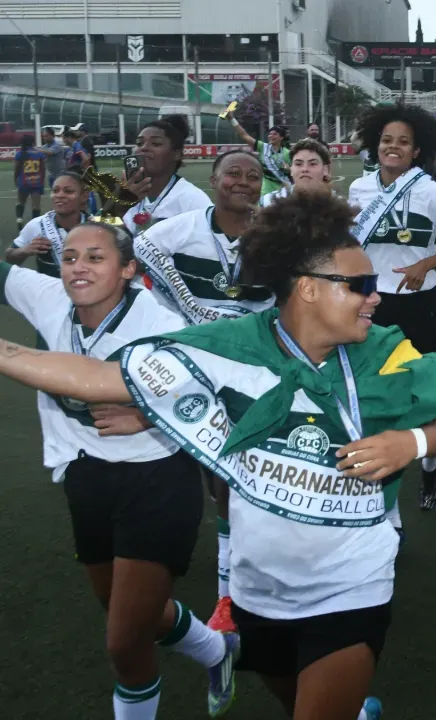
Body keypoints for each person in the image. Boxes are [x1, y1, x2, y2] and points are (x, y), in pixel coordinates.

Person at [0, 190, 436, 720]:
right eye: (360, 286)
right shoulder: (228, 347)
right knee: (293, 695)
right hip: (260, 590)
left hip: (352, 582)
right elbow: (99, 379)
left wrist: (414, 442)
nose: (375, 296)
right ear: (309, 289)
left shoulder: (384, 350)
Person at [0, 219, 238, 719]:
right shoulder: (48, 298)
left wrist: (148, 411)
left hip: (156, 481)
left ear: (129, 269)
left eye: (95, 257)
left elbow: (221, 401)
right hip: (85, 475)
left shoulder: (163, 328)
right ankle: (219, 652)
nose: (78, 268)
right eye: (69, 258)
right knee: (133, 616)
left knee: (124, 645)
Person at [132, 150, 273, 638]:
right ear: (213, 180)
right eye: (233, 173)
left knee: (231, 478)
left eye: (253, 176)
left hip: (251, 372)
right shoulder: (181, 228)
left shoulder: (274, 234)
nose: (243, 182)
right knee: (195, 474)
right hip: (190, 370)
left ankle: (228, 593)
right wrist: (175, 317)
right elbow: (138, 257)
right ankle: (219, 576)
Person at [348, 104, 436, 513]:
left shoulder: (430, 190)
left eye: (403, 142)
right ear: (375, 145)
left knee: (427, 390)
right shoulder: (359, 190)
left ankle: (430, 464)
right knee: (371, 389)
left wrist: (426, 263)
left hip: (419, 304)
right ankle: (384, 486)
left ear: (417, 150)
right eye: (387, 140)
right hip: (371, 304)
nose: (393, 147)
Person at [122, 115, 212, 235]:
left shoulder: (194, 201)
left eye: (156, 143)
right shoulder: (123, 194)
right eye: (139, 143)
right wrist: (118, 206)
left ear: (177, 154)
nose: (144, 148)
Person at [8, 171, 89, 278]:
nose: (59, 195)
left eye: (68, 191)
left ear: (84, 196)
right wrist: (25, 250)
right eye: (55, 191)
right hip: (49, 293)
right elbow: (9, 257)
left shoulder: (97, 227)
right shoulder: (37, 225)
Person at [229, 119, 291, 196]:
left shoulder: (287, 153)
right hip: (266, 187)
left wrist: (289, 169)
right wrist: (232, 119)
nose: (271, 136)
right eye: (270, 134)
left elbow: (295, 171)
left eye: (275, 134)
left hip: (283, 187)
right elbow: (244, 135)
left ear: (281, 138)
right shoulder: (263, 147)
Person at [262, 139, 333, 206]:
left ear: (325, 170)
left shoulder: (338, 205)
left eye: (312, 164)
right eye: (298, 164)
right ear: (291, 169)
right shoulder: (268, 202)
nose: (304, 169)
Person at [14, 135, 47, 232]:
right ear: (33, 142)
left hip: (24, 181)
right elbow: (43, 169)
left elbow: (16, 169)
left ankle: (19, 219)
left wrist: (15, 179)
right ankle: (34, 225)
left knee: (20, 201)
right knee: (36, 205)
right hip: (36, 182)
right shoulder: (39, 154)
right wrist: (42, 180)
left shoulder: (20, 154)